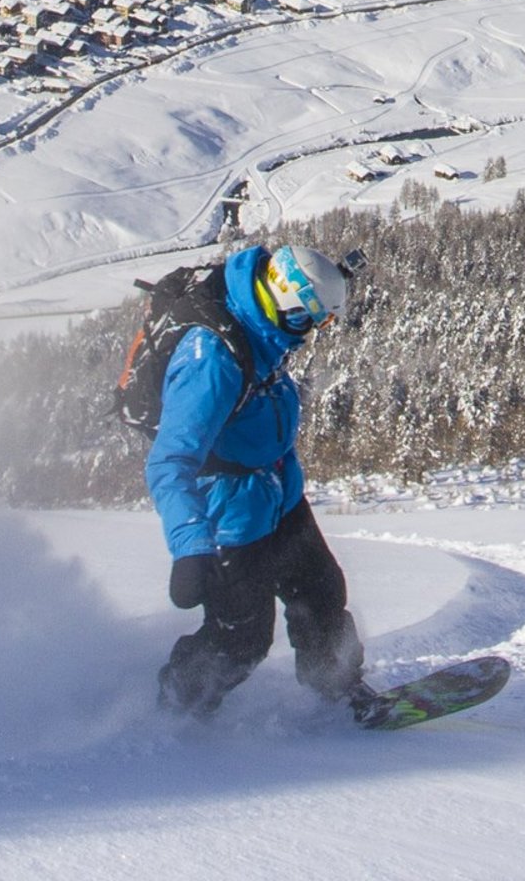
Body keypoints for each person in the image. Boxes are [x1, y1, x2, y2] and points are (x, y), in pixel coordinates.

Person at [146, 239, 368, 718]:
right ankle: (177, 708)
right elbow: (169, 462)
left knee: (322, 594)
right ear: (288, 305)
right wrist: (189, 547)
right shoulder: (211, 361)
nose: (309, 335)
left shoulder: (264, 329)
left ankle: (338, 690)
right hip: (230, 519)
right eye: (308, 321)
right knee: (242, 640)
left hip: (278, 495)